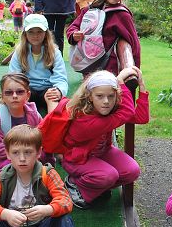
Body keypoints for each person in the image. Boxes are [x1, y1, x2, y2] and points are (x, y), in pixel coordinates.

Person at [61, 68, 149, 209]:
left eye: (111, 96)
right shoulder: (85, 120)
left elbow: (141, 117)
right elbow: (127, 112)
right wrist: (119, 81)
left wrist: (142, 87)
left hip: (102, 153)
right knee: (108, 176)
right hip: (77, 159)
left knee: (132, 171)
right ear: (90, 96)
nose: (106, 101)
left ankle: (98, 185)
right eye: (100, 96)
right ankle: (74, 184)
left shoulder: (108, 111)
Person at [67, 0, 141, 70]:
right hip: (88, 64)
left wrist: (134, 72)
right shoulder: (90, 9)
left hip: (110, 70)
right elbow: (73, 27)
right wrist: (73, 35)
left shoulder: (122, 15)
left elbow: (134, 44)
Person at [0, 73, 51, 176]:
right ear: (2, 96)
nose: (14, 96)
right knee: (10, 170)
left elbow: (43, 138)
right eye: (9, 93)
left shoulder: (33, 114)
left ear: (28, 95)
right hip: (6, 157)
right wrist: (18, 157)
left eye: (20, 92)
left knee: (45, 164)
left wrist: (31, 156)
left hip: (30, 154)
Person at [9, 14, 68, 114]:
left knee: (52, 97)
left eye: (39, 32)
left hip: (47, 88)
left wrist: (59, 90)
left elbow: (60, 77)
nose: (35, 36)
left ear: (46, 33)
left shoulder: (54, 52)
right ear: (25, 34)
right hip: (27, 88)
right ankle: (19, 122)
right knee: (17, 99)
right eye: (31, 32)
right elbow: (14, 77)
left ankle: (53, 122)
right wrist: (19, 90)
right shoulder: (19, 52)